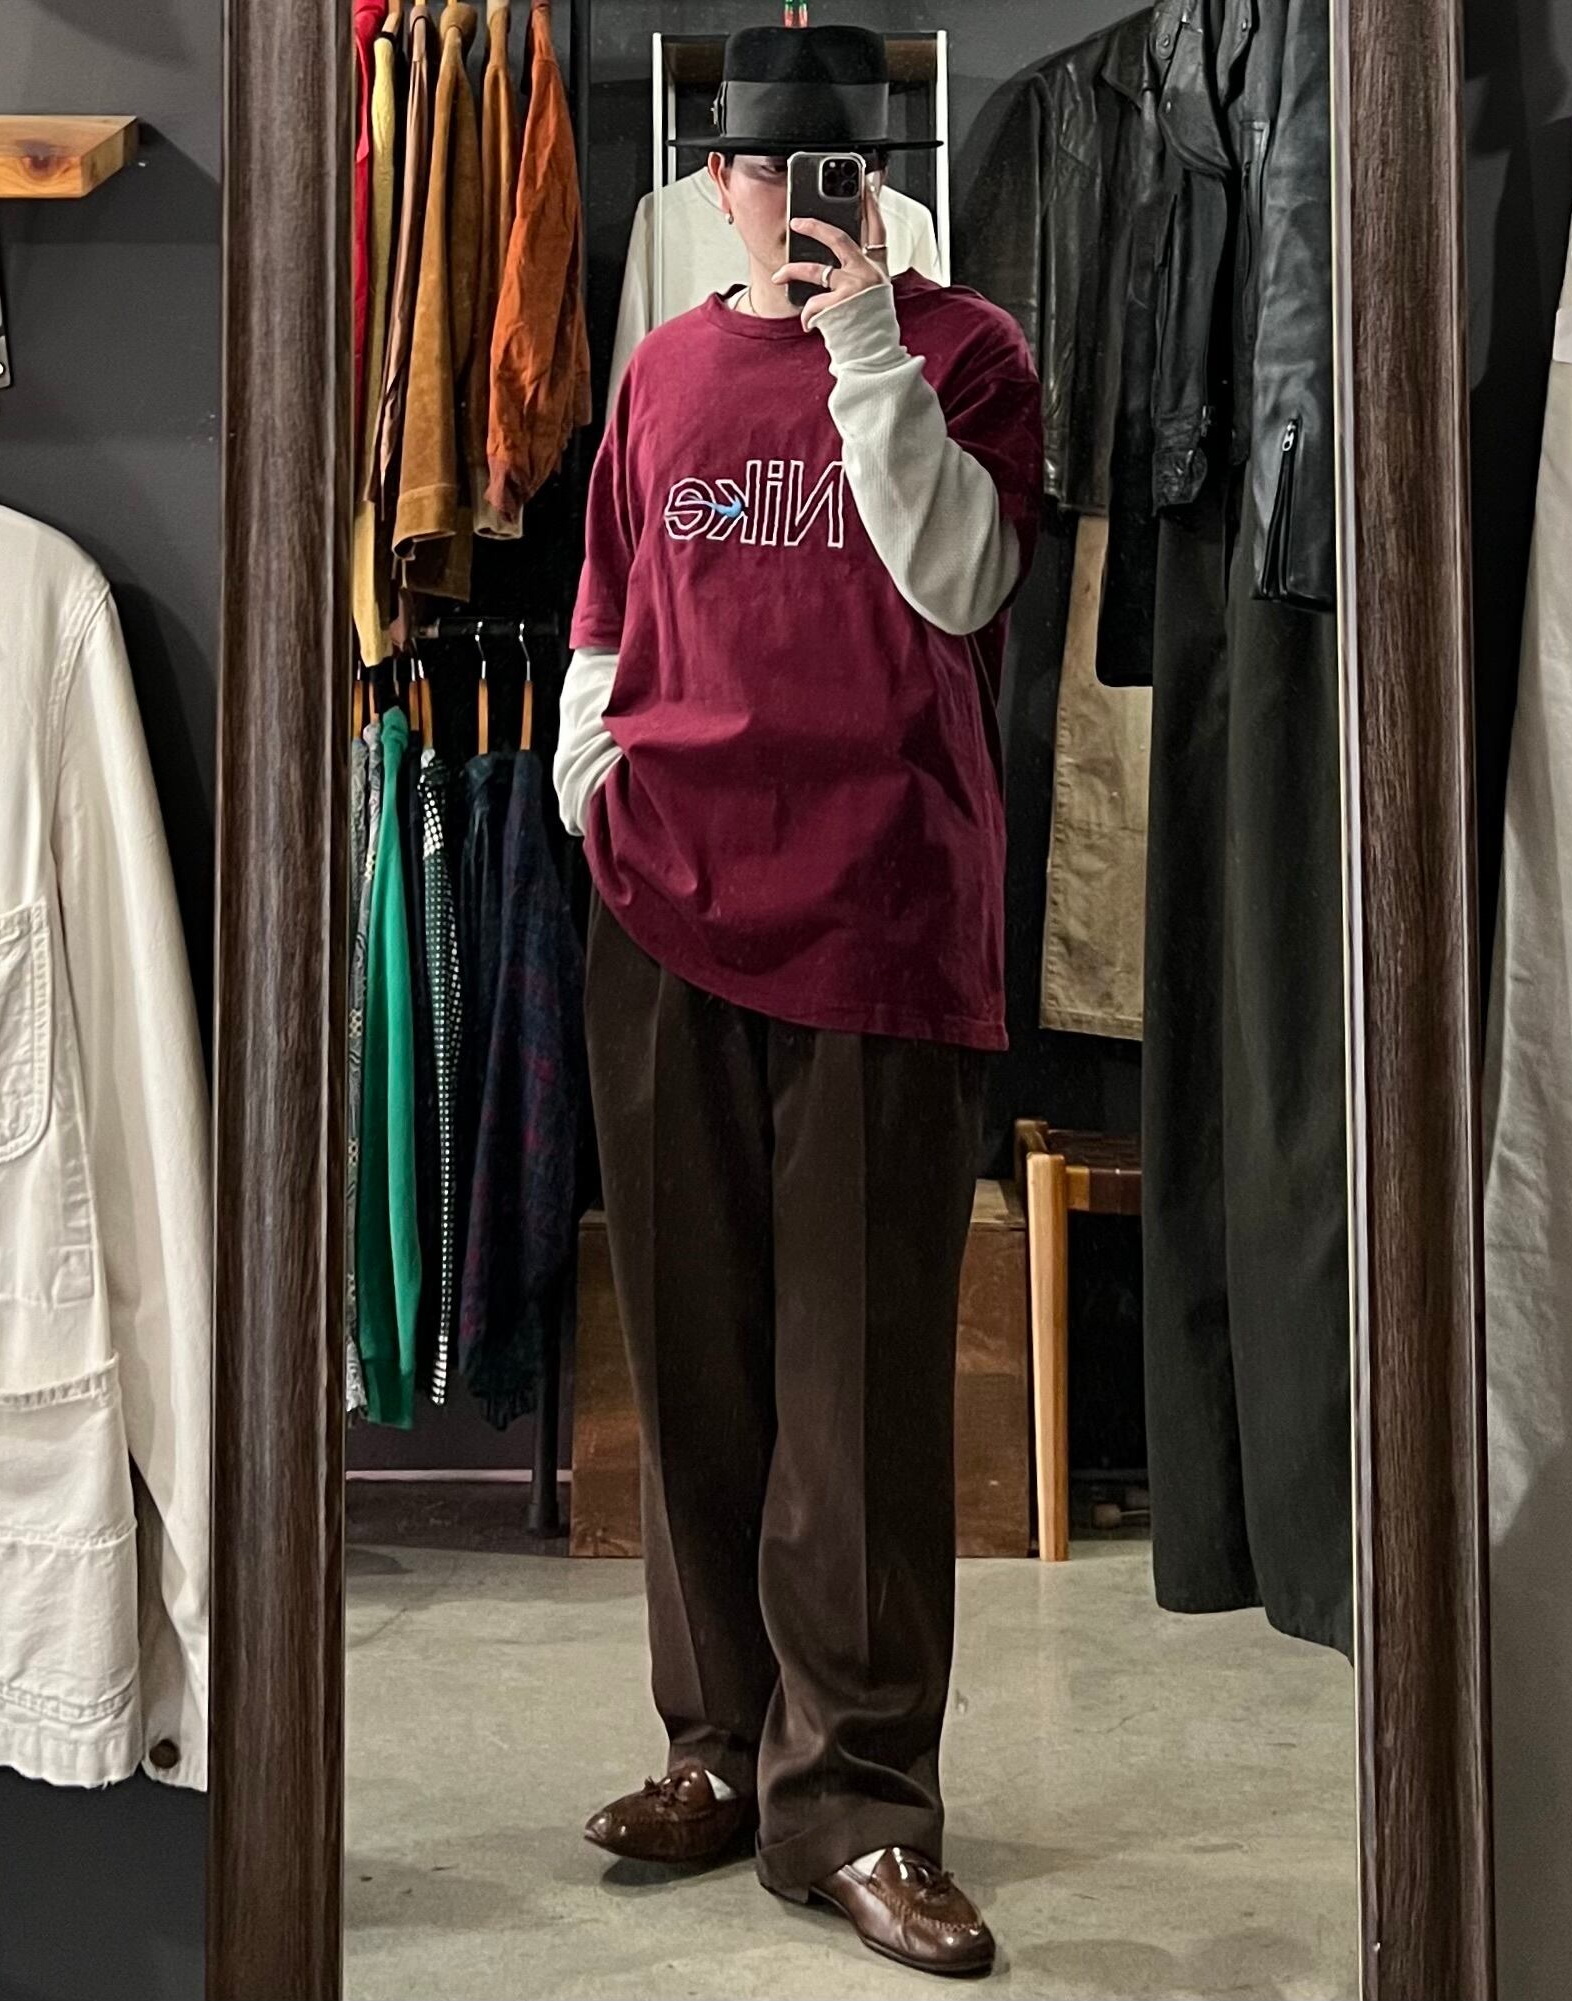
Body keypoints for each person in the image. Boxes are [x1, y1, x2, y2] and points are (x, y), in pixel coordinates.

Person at [554, 23, 1041, 1979]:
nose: (799, 200)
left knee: (857, 1393)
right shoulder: (665, 369)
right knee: (694, 1364)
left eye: (835, 168)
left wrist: (864, 354)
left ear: (877, 176)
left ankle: (856, 1801)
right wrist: (587, 759)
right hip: (664, 906)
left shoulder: (969, 354)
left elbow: (958, 583)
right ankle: (714, 1747)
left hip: (878, 919)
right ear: (717, 180)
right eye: (767, 170)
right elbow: (610, 584)